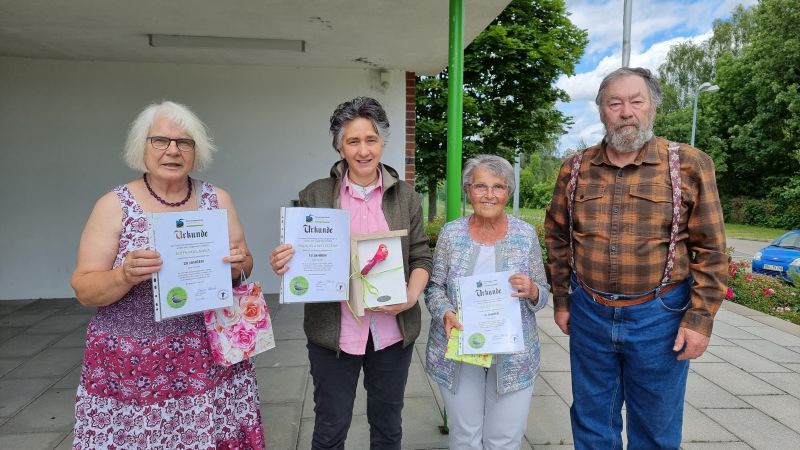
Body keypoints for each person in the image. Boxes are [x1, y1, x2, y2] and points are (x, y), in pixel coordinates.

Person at [544, 67, 728, 449]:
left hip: (660, 316)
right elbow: (558, 238)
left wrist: (699, 320)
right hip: (590, 313)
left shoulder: (689, 164)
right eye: (615, 102)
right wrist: (562, 301)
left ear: (653, 108)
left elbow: (711, 250)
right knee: (592, 421)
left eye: (636, 101)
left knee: (656, 428)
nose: (626, 111)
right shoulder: (575, 167)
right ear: (601, 111)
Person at [70, 101, 264, 449]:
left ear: (196, 150)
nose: (172, 150)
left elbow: (245, 263)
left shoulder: (217, 200)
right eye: (160, 140)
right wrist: (124, 275)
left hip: (208, 357)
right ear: (141, 146)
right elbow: (84, 288)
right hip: (132, 363)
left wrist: (237, 266)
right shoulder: (114, 205)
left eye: (184, 142)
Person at [269, 96, 432, 450]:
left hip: (391, 332)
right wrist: (286, 262)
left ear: (383, 143)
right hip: (334, 335)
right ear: (339, 146)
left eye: (370, 140)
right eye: (353, 141)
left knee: (388, 426)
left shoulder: (406, 197)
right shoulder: (315, 194)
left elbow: (421, 257)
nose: (363, 150)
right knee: (330, 427)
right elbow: (303, 258)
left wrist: (411, 296)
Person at [424, 154, 549, 450]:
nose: (489, 195)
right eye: (480, 186)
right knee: (464, 435)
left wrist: (531, 289)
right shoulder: (451, 233)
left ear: (509, 192)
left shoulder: (525, 235)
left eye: (499, 187)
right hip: (459, 348)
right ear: (468, 190)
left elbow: (542, 293)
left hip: (513, 355)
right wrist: (444, 313)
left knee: (504, 439)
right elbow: (434, 288)